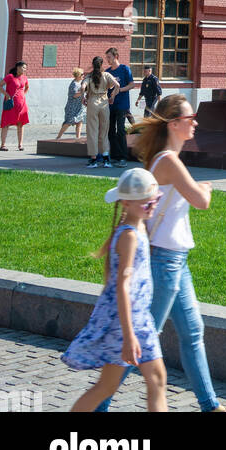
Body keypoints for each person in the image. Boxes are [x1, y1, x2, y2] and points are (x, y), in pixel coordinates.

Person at [95, 94, 226, 413]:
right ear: (174, 124)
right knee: (143, 340)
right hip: (164, 262)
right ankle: (99, 405)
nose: (195, 122)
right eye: (190, 117)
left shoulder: (164, 158)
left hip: (175, 260)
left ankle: (210, 406)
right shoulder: (168, 161)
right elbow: (201, 200)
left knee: (192, 332)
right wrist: (207, 189)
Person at [62, 167, 167, 412]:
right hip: (125, 323)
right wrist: (129, 337)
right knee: (107, 387)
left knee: (157, 380)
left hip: (141, 319)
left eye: (156, 200)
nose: (152, 206)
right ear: (127, 203)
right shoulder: (129, 236)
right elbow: (123, 287)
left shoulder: (140, 227)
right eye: (146, 203)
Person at [82, 57, 119, 167]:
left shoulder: (89, 76)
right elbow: (117, 85)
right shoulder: (106, 75)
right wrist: (112, 96)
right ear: (102, 64)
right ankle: (106, 159)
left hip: (92, 101)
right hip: (104, 101)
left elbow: (82, 87)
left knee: (92, 131)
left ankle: (93, 159)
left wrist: (83, 98)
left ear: (92, 64)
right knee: (104, 131)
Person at [105, 46, 135, 166]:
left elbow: (132, 85)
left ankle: (123, 157)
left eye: (109, 57)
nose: (107, 59)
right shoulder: (107, 72)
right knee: (111, 130)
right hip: (110, 105)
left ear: (116, 56)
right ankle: (115, 155)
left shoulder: (124, 69)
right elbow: (105, 87)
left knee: (121, 130)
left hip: (122, 104)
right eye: (107, 57)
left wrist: (120, 90)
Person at [0, 61, 30, 151]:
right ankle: (3, 145)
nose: (24, 69)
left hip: (21, 104)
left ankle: (20, 145)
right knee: (6, 124)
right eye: (23, 67)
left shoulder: (24, 78)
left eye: (25, 68)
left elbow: (27, 87)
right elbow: (0, 86)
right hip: (10, 103)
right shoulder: (10, 77)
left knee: (21, 124)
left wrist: (23, 95)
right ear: (17, 67)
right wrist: (7, 95)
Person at [56, 68, 85, 141]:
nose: (83, 75)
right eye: (82, 74)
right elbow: (75, 95)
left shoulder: (80, 83)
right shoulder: (74, 84)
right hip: (72, 106)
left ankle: (78, 138)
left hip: (79, 106)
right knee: (69, 122)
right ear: (77, 75)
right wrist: (83, 91)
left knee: (79, 121)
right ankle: (58, 137)